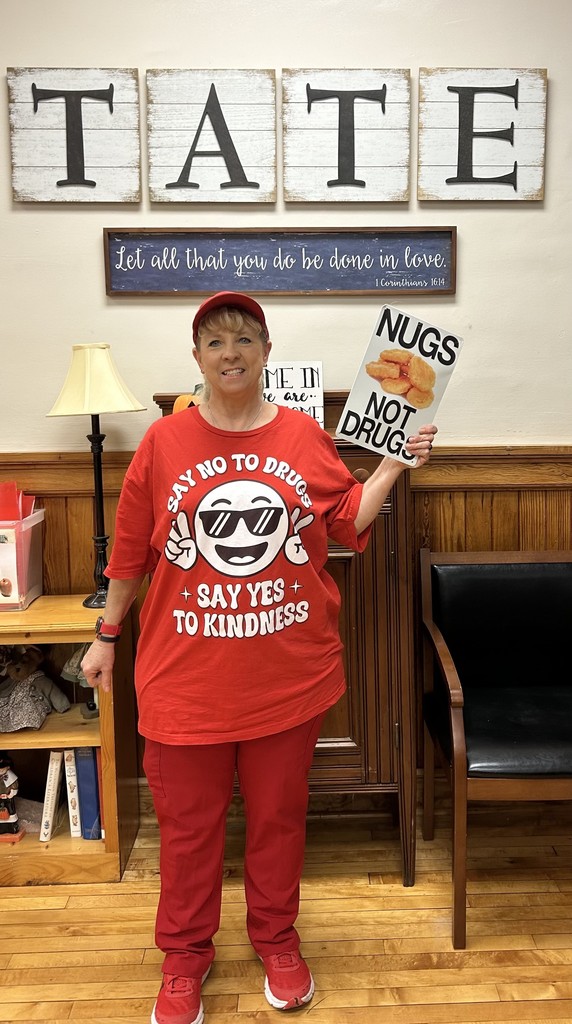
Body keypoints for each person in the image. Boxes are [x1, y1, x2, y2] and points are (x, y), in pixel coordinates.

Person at [81, 291, 437, 1024]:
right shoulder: (162, 444)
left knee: (278, 820)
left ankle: (276, 938)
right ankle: (185, 956)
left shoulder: (305, 435)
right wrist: (106, 636)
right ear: (197, 358)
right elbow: (127, 556)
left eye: (245, 337)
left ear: (267, 351)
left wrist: (394, 467)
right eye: (215, 341)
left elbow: (346, 519)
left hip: (287, 677)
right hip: (183, 681)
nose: (231, 351)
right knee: (187, 828)